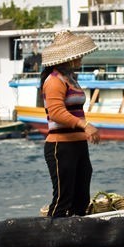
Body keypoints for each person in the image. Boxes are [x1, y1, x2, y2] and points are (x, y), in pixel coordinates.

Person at [40, 31, 101, 217]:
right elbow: (56, 112)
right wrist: (85, 125)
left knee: (81, 198)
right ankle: (52, 234)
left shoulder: (71, 79)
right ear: (68, 57)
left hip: (78, 144)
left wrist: (84, 129)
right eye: (78, 55)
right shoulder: (54, 81)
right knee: (63, 198)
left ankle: (76, 235)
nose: (80, 58)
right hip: (61, 146)